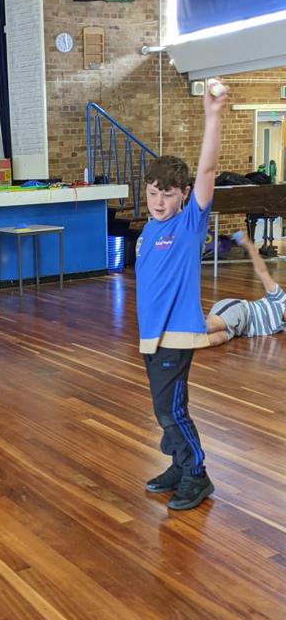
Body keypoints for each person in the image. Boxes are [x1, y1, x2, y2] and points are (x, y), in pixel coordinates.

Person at [135, 81, 227, 510]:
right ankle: (178, 461)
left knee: (172, 411)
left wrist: (213, 115)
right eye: (153, 192)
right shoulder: (150, 230)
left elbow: (207, 171)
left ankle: (197, 473)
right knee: (164, 409)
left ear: (184, 196)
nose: (158, 201)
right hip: (152, 338)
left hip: (176, 336)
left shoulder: (188, 225)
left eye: (167, 194)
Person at [205, 232, 286, 345]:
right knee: (211, 326)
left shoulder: (282, 326)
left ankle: (184, 344)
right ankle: (176, 331)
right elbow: (262, 271)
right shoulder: (280, 298)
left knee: (219, 338)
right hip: (241, 311)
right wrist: (249, 245)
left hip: (240, 330)